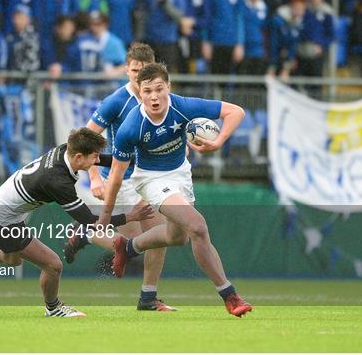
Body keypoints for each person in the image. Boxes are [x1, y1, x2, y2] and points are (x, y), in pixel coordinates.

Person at [0, 128, 153, 317]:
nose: (97, 161)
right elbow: (91, 221)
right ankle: (53, 308)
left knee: (10, 258)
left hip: (3, 212)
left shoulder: (66, 150)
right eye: (93, 157)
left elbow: (110, 160)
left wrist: (142, 160)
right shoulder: (56, 181)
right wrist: (130, 216)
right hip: (1, 221)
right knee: (53, 265)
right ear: (78, 157)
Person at [98, 63, 253, 318]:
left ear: (168, 87)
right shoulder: (131, 126)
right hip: (150, 179)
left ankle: (128, 248)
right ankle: (230, 295)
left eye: (159, 89)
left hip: (180, 173)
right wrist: (104, 218)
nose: (154, 96)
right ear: (139, 91)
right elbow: (115, 177)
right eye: (147, 91)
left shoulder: (183, 106)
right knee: (198, 226)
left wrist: (218, 142)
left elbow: (236, 112)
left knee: (177, 237)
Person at [64, 43, 176, 311]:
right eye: (133, 71)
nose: (137, 77)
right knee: (134, 242)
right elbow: (84, 141)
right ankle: (87, 234)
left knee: (160, 237)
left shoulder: (159, 98)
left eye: (142, 71)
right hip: (122, 180)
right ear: (126, 70)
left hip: (150, 178)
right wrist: (94, 177)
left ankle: (148, 297)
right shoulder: (116, 101)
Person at [6, 4, 40, 72]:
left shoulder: (32, 37)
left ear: (28, 20)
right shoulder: (10, 37)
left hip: (28, 78)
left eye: (21, 18)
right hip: (11, 78)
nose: (17, 21)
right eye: (15, 17)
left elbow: (32, 64)